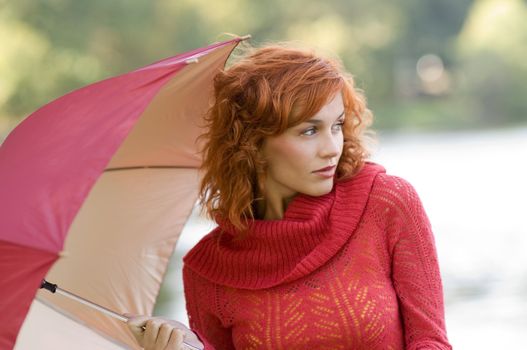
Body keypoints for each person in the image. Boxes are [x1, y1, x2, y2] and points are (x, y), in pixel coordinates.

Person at [127, 42, 452, 349]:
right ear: (253, 145)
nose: (332, 149)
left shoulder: (386, 203)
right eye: (309, 131)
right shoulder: (210, 272)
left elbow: (432, 341)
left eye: (336, 126)